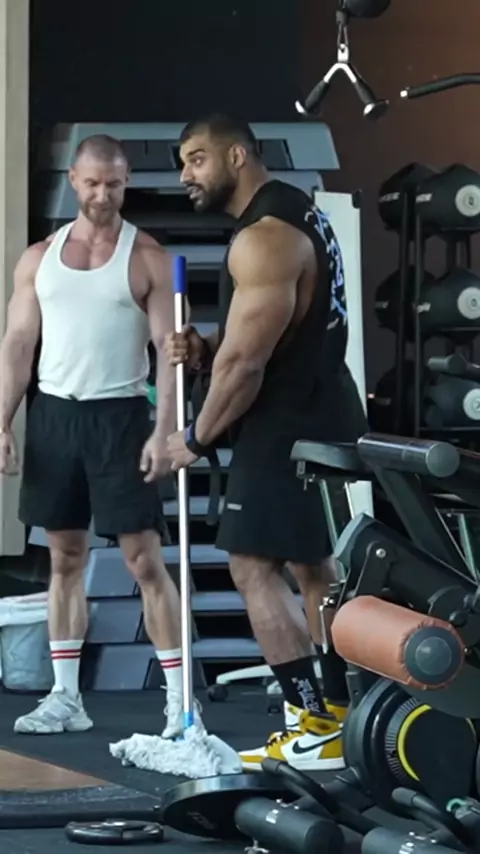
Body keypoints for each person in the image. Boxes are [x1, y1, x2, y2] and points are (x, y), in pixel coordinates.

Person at [165, 114, 368, 772]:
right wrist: (206, 348)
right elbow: (268, 334)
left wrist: (194, 438)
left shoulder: (265, 237)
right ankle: (340, 722)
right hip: (318, 410)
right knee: (314, 572)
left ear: (237, 155)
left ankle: (316, 721)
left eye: (197, 159)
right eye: (182, 163)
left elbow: (246, 366)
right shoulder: (296, 213)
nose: (185, 175)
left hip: (287, 425)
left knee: (252, 568)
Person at [0, 134, 202, 737]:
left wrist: (165, 431)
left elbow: (169, 356)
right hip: (56, 417)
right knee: (64, 559)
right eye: (92, 183)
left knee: (145, 561)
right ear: (73, 179)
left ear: (126, 182)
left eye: (113, 184)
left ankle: (178, 706)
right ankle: (66, 698)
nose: (102, 195)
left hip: (121, 419)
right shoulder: (38, 258)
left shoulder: (149, 258)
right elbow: (18, 344)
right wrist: (3, 420)